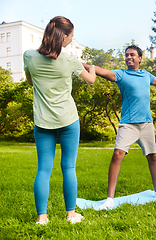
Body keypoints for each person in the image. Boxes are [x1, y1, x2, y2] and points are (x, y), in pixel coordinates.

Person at [82, 45, 156, 210]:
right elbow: (101, 70)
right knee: (117, 155)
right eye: (126, 55)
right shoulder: (121, 74)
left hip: (146, 124)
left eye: (132, 55)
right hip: (128, 124)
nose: (129, 57)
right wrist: (82, 64)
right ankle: (110, 198)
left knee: (152, 156)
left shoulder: (146, 75)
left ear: (140, 58)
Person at [23, 16, 96, 224]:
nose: (72, 40)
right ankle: (70, 214)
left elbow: (30, 81)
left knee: (43, 169)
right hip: (68, 120)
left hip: (42, 122)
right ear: (63, 36)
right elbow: (90, 79)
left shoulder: (29, 56)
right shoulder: (70, 60)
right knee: (69, 167)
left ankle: (42, 217)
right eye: (71, 36)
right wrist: (91, 68)